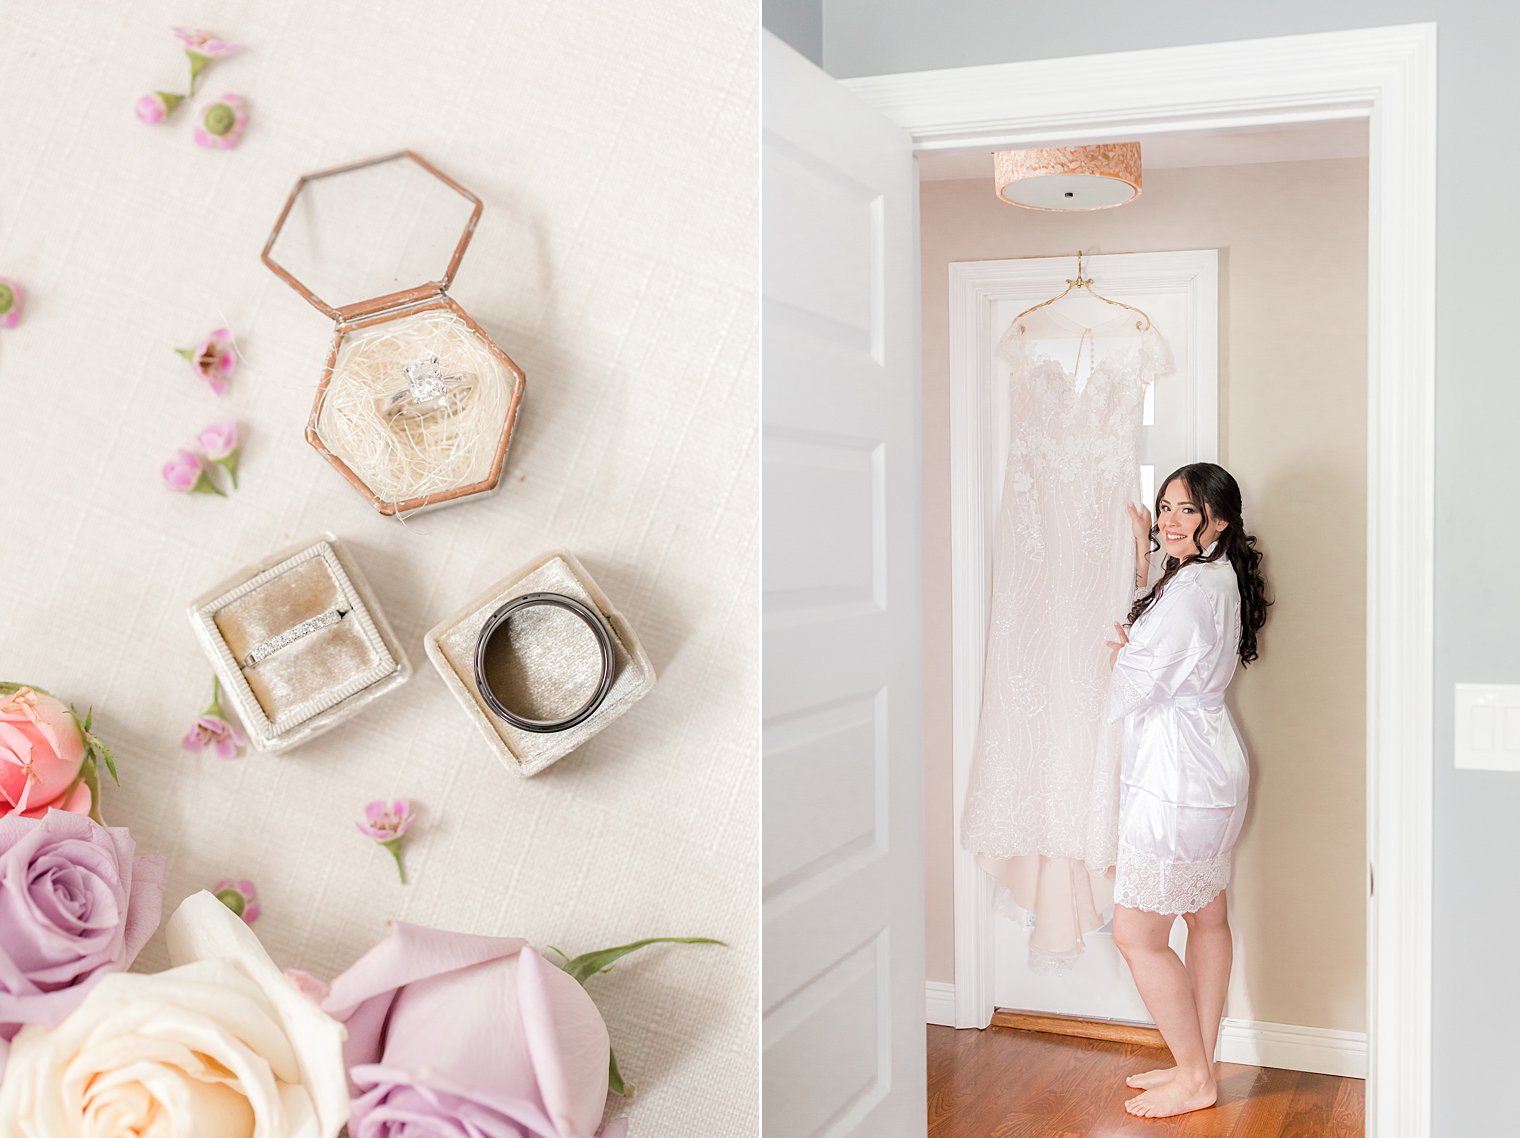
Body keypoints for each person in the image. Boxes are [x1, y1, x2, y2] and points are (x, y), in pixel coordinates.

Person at [1102, 462, 1271, 1119]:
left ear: (1219, 521)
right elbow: (1157, 647)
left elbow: (1137, 679)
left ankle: (1196, 1076)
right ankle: (1193, 1059)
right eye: (1164, 508)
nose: (1170, 521)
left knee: (1136, 934)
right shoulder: (1210, 576)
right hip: (1206, 765)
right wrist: (1142, 569)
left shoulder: (1196, 589)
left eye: (1186, 510)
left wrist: (1121, 654)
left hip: (1178, 778)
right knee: (1207, 917)